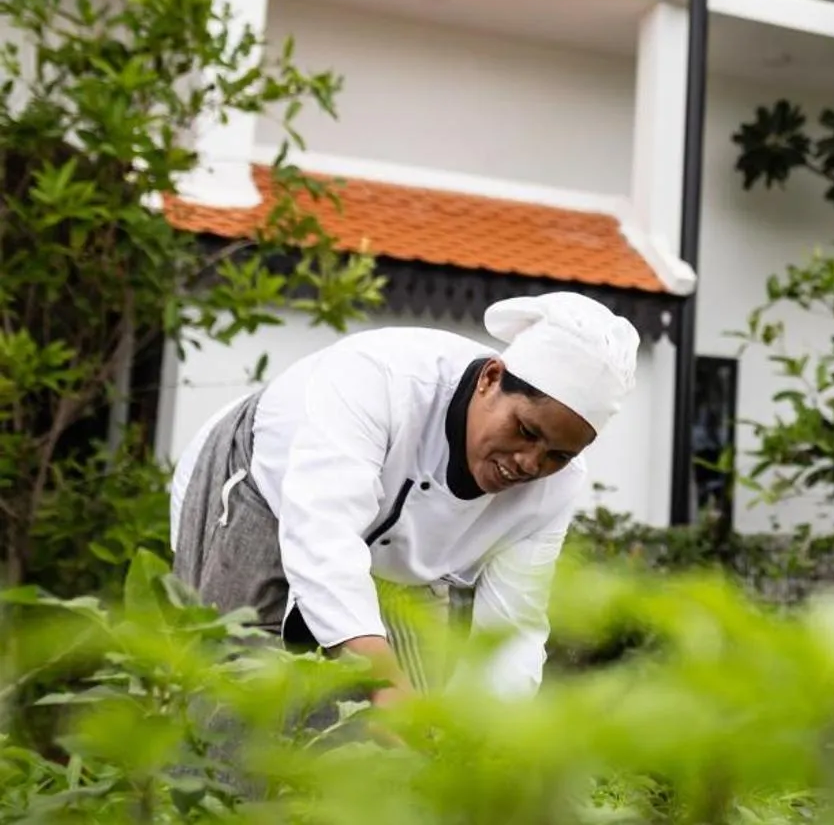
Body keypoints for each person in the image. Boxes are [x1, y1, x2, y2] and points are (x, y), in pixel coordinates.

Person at [167, 291, 639, 705]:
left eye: (557, 454)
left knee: (402, 728)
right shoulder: (380, 381)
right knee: (233, 682)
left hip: (400, 567)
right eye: (525, 431)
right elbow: (323, 542)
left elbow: (511, 630)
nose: (530, 464)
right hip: (266, 485)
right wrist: (387, 686)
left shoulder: (557, 486)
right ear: (490, 379)